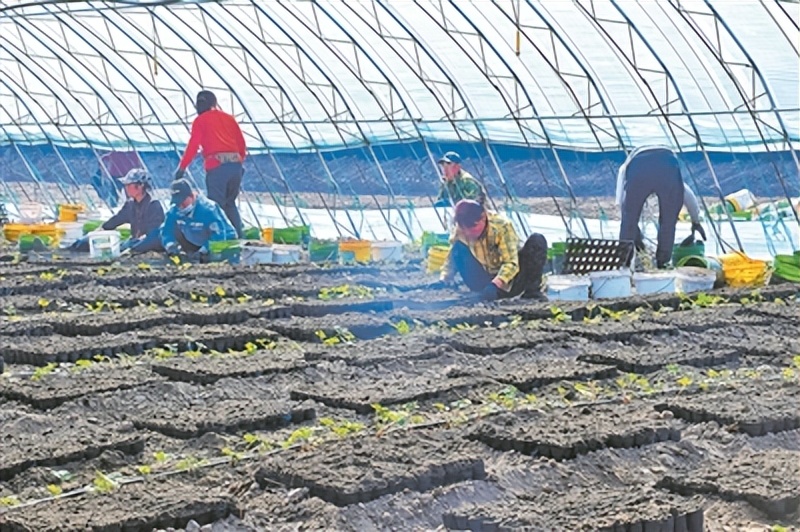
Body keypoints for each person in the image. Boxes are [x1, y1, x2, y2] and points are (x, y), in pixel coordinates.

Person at [432, 199, 548, 301]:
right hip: (483, 280)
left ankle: (532, 293)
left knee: (537, 240)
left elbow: (511, 263)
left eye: (473, 227)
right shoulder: (461, 229)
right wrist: (444, 278)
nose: (467, 232)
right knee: (458, 246)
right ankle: (482, 293)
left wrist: (496, 284)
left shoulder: (501, 227)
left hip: (511, 281)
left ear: (483, 217)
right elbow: (453, 255)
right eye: (464, 228)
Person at [617, 146, 706, 268]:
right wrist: (696, 221)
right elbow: (687, 194)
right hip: (667, 164)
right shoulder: (667, 165)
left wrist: (631, 228)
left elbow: (623, 204)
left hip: (639, 167)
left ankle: (623, 263)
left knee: (629, 220)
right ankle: (662, 263)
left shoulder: (625, 168)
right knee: (668, 222)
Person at [174, 90, 246, 238]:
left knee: (215, 206)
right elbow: (241, 144)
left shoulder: (200, 121)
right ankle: (238, 238)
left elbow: (193, 146)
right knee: (230, 204)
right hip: (235, 166)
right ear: (214, 103)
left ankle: (218, 240)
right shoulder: (229, 119)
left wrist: (182, 167)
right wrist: (237, 163)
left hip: (217, 166)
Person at [70, 168, 165, 254]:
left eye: (129, 185)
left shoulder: (153, 205)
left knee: (124, 247)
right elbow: (117, 219)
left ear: (140, 186)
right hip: (133, 242)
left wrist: (134, 248)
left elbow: (153, 235)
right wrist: (100, 230)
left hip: (145, 245)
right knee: (85, 243)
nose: (126, 188)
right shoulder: (130, 204)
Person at [161, 178, 236, 261]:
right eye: (177, 203)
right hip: (197, 239)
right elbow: (166, 230)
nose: (180, 206)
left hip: (224, 241)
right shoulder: (175, 210)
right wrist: (170, 245)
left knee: (213, 258)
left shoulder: (208, 210)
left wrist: (204, 251)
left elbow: (219, 235)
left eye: (183, 202)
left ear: (192, 196)